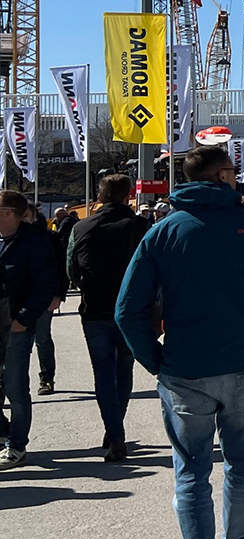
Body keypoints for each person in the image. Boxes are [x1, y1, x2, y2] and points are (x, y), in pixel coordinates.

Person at [116, 145, 244, 539]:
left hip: (185, 368)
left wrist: (155, 361)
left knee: (191, 472)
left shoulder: (164, 230)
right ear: (221, 176)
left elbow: (127, 310)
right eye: (233, 171)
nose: (238, 177)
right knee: (243, 463)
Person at [67, 174, 152, 461]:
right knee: (124, 366)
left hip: (94, 308)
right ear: (128, 196)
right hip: (129, 308)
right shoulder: (139, 225)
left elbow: (71, 268)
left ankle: (114, 432)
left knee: (102, 372)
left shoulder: (81, 226)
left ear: (100, 196)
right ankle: (116, 429)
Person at [0, 190, 56, 469]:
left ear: (9, 212)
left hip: (16, 326)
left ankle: (17, 446)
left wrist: (22, 319)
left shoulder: (34, 241)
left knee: (15, 387)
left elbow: (45, 285)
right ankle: (3, 433)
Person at [23, 201, 64, 396]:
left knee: (42, 339)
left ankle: (47, 378)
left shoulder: (49, 238)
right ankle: (9, 383)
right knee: (13, 343)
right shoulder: (8, 239)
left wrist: (58, 294)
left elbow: (61, 268)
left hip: (43, 298)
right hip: (15, 300)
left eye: (26, 216)